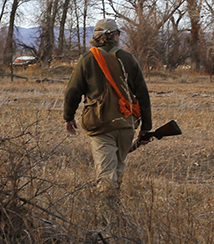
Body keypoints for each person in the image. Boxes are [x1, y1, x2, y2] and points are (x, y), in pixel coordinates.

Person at [63, 19, 152, 207]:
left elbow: (72, 91)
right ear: (115, 36)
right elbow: (143, 94)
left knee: (106, 174)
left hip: (100, 124)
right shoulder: (129, 59)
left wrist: (68, 117)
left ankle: (108, 224)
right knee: (117, 169)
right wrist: (146, 127)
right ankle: (115, 215)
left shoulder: (87, 59)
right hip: (126, 124)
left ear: (96, 37)